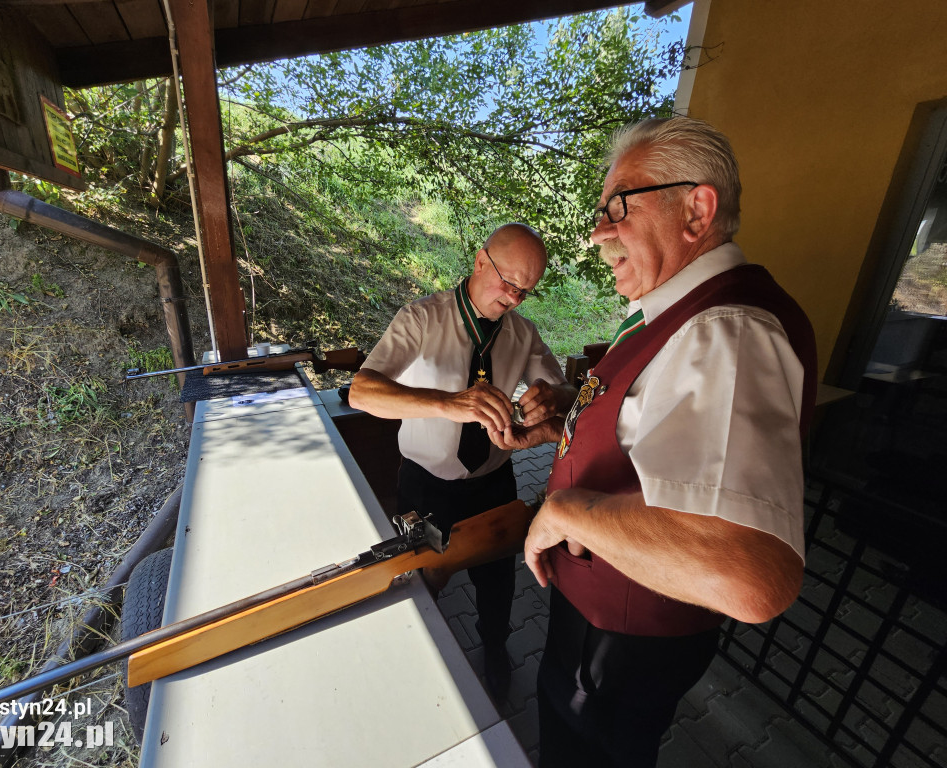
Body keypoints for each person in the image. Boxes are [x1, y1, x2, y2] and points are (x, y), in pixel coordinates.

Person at [490, 117, 818, 767]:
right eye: (600, 209)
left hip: (619, 640)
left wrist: (562, 509)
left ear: (696, 208)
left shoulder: (726, 329)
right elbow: (657, 438)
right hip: (602, 618)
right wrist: (571, 426)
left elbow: (750, 572)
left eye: (620, 205)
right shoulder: (676, 316)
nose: (598, 229)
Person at [349, 222, 573, 701]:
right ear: (479, 260)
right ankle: (411, 657)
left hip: (494, 483)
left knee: (497, 584)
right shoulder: (422, 319)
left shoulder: (522, 332)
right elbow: (362, 391)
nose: (514, 298)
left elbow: (568, 394)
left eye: (525, 291)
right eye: (508, 283)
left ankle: (494, 648)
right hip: (426, 485)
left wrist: (551, 397)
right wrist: (449, 403)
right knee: (418, 581)